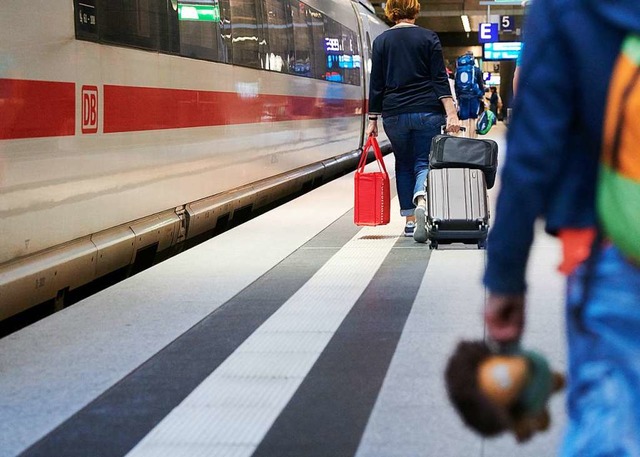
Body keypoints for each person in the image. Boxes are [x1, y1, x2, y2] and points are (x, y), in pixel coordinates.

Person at [483, 0, 640, 455]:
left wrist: (505, 278)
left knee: (609, 421)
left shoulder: (565, 7)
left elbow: (533, 148)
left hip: (609, 244)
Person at [366, 0, 460, 242]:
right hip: (427, 111)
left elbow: (376, 83)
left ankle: (409, 221)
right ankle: (421, 196)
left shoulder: (381, 41)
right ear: (415, 10)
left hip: (394, 113)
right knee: (423, 161)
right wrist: (451, 113)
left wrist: (372, 119)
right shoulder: (429, 38)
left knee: (403, 164)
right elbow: (439, 79)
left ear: (391, 12)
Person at [454, 51, 484, 138]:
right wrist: (481, 93)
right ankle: (473, 139)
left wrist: (457, 96)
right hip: (474, 96)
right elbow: (480, 83)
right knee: (473, 119)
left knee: (464, 119)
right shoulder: (476, 70)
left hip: (462, 97)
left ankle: (465, 138)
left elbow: (456, 85)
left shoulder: (458, 70)